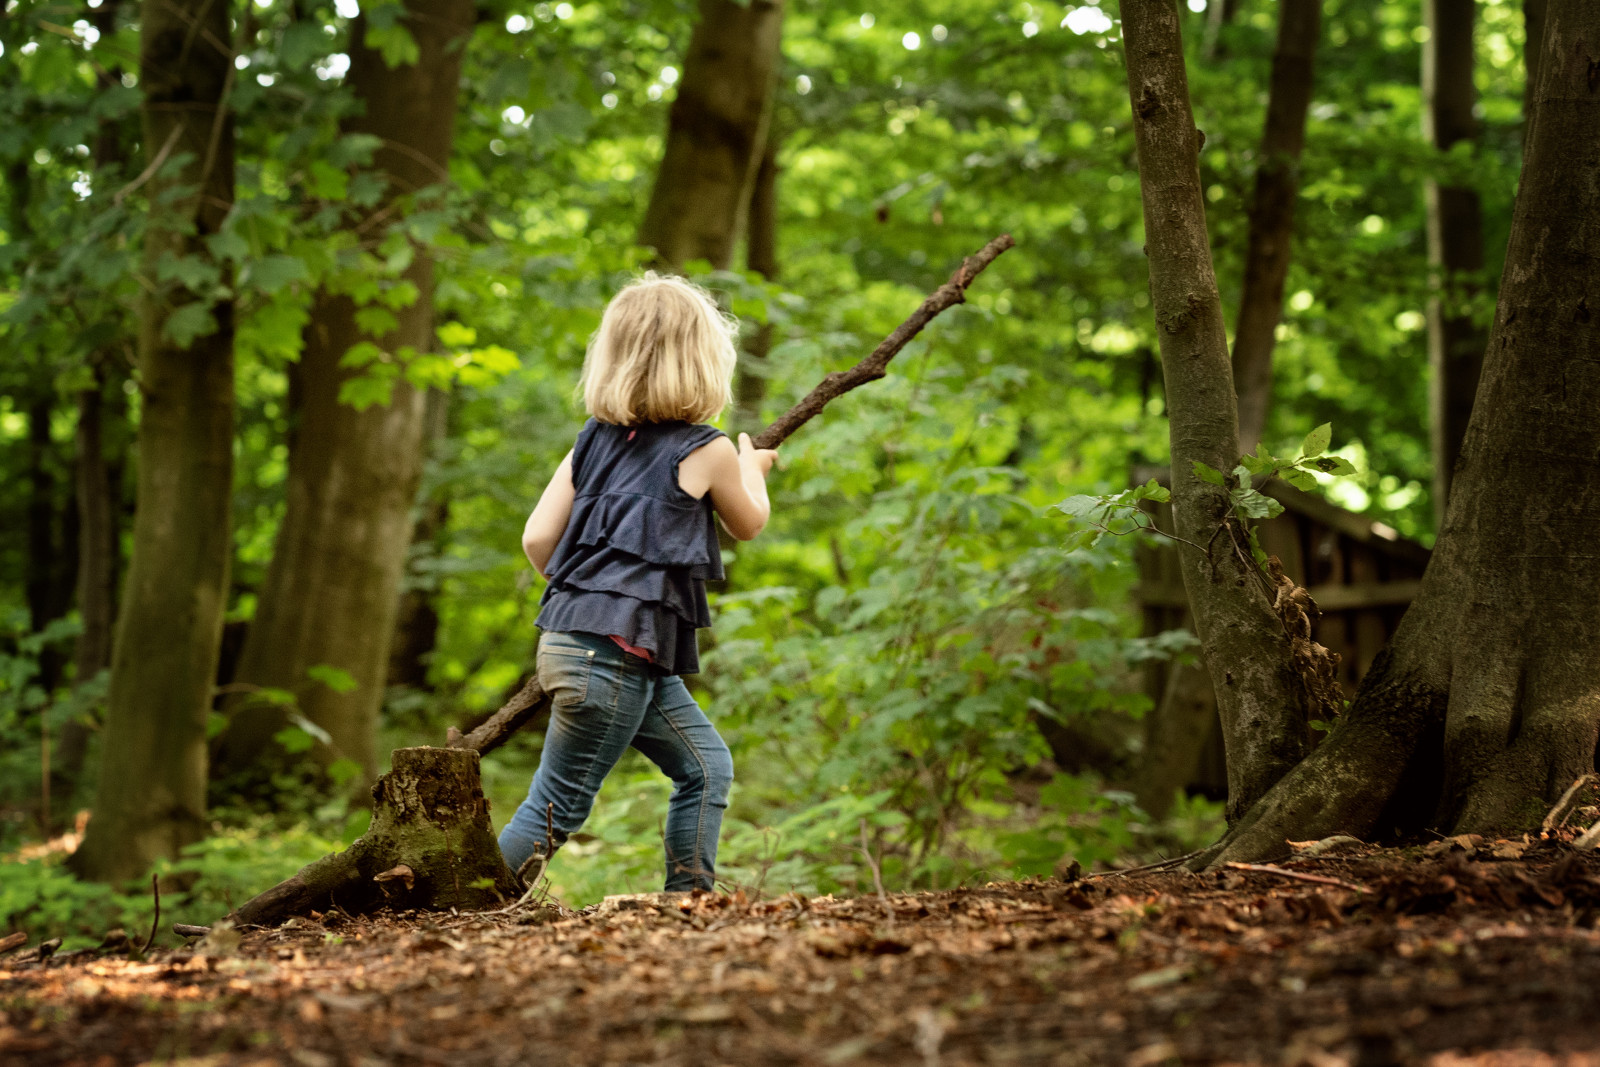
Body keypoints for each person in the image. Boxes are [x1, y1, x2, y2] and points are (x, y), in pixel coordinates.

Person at [498, 273, 779, 893]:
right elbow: (749, 522)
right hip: (615, 658)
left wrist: (591, 599)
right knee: (557, 806)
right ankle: (467, 901)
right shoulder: (706, 450)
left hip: (584, 643)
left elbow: (537, 540)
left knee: (706, 768)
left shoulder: (591, 443)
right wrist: (753, 466)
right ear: (703, 360)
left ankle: (689, 905)